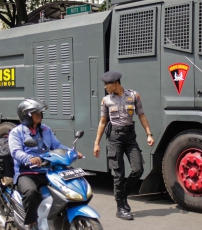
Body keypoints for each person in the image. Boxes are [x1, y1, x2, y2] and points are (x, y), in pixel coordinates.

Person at [9, 98, 83, 230]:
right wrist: (30, 158)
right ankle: (31, 222)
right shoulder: (16, 132)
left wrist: (71, 152)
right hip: (27, 172)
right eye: (36, 112)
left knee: (65, 190)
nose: (40, 115)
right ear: (27, 115)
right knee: (31, 192)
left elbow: (57, 145)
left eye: (40, 112)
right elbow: (16, 152)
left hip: (48, 170)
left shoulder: (45, 129)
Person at [93, 71, 155, 220]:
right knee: (119, 174)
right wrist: (97, 143)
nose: (105, 87)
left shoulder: (133, 96)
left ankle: (123, 196)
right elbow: (102, 122)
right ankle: (120, 207)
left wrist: (149, 134)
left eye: (107, 84)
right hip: (114, 138)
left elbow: (141, 115)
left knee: (138, 169)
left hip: (130, 137)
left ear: (116, 83)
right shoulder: (106, 100)